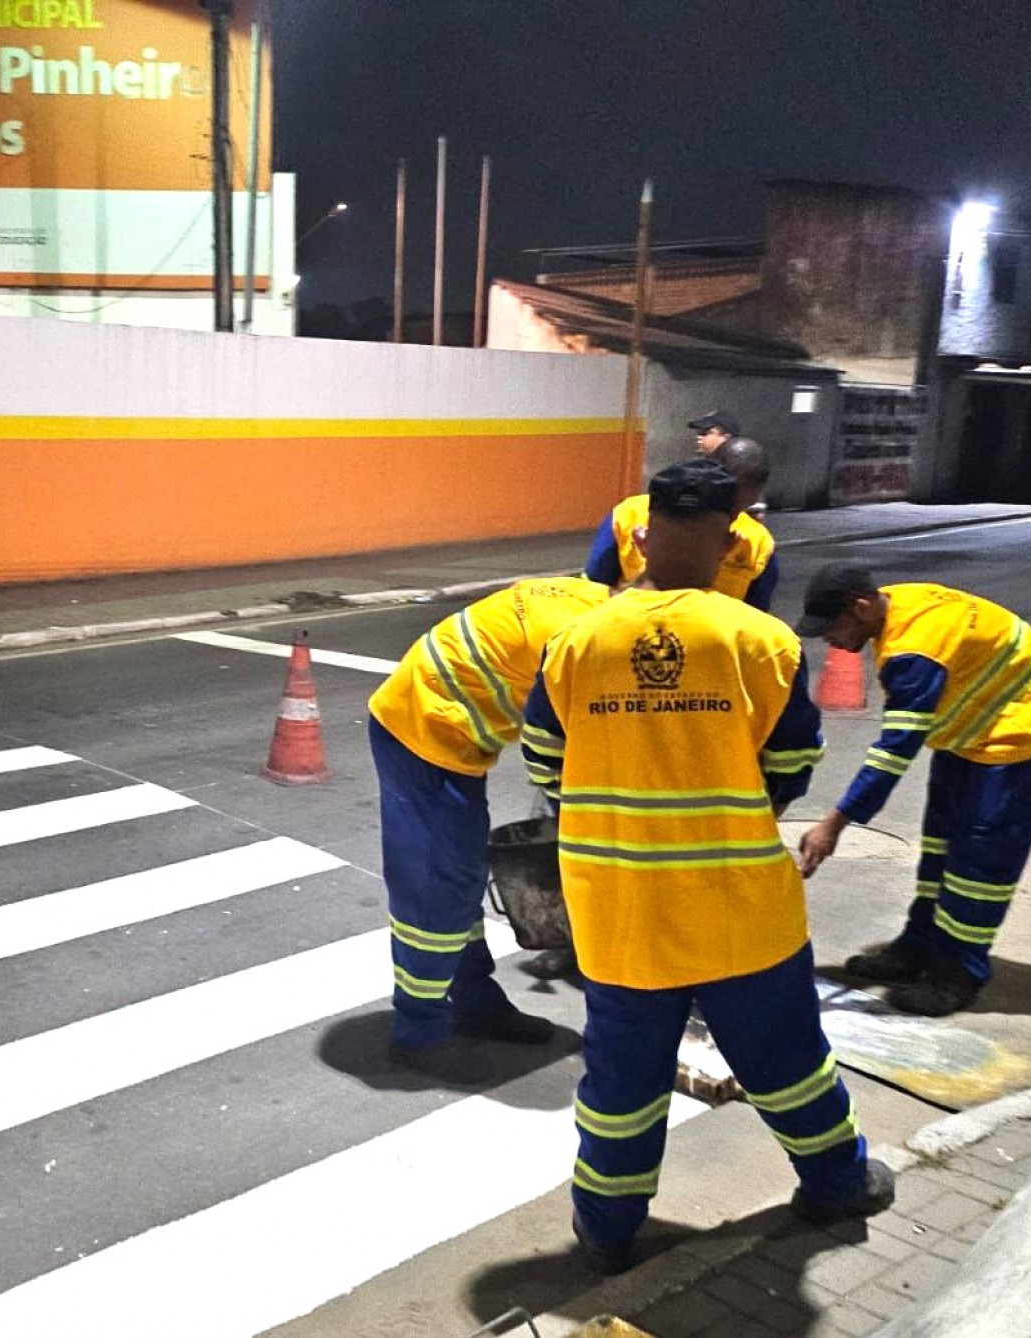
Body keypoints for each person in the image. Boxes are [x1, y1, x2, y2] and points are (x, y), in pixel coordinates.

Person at [523, 459, 894, 1274]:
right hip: (738, 908)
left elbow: (546, 760)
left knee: (621, 1081)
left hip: (619, 911)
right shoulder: (759, 641)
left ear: (643, 535)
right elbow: (793, 764)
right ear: (730, 544)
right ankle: (836, 1183)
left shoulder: (576, 641)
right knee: (789, 1061)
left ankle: (606, 1233)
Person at [794, 565, 1031, 1016]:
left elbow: (893, 753)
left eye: (833, 627)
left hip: (1019, 722)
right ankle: (920, 945)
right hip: (970, 722)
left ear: (860, 606)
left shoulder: (914, 653)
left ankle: (959, 973)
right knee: (940, 843)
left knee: (979, 858)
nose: (828, 640)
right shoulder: (893, 606)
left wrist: (834, 824)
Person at [367, 575, 614, 1072]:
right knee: (437, 891)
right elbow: (558, 757)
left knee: (460, 879)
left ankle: (475, 1003)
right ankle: (418, 1033)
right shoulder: (583, 646)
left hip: (445, 726)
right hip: (423, 732)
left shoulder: (594, 596)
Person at [583, 436, 779, 611]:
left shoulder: (758, 544)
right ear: (642, 539)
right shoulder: (628, 514)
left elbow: (755, 620)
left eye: (740, 505)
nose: (731, 514)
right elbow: (595, 590)